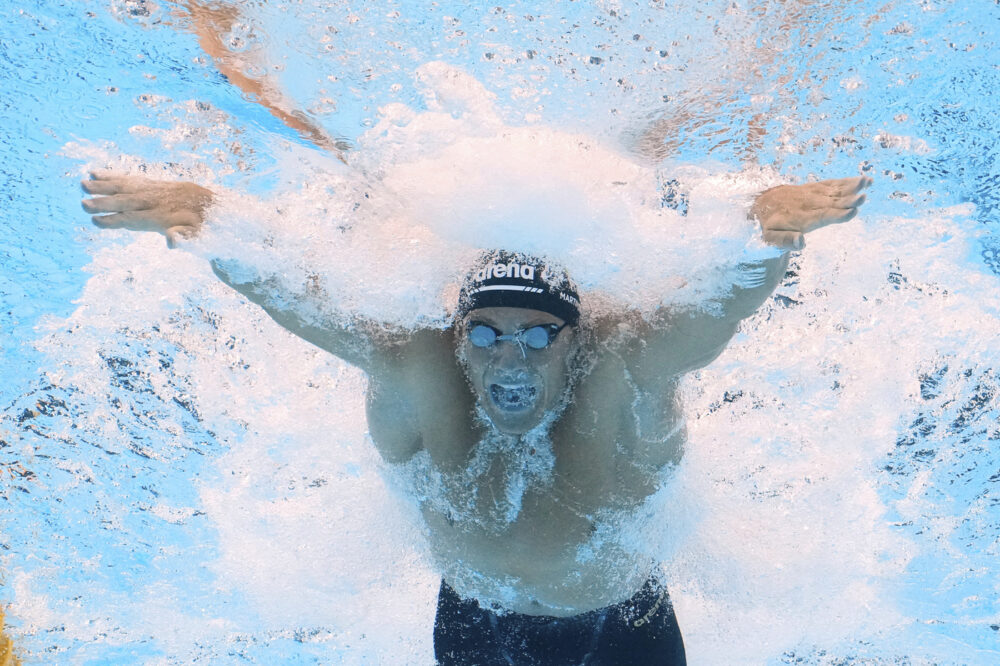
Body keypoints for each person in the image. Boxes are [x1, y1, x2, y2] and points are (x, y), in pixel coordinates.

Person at [79, 4, 873, 663]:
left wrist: (763, 238)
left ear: (574, 341)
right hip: (473, 624)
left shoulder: (618, 374)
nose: (509, 357)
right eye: (487, 334)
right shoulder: (423, 373)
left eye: (538, 337)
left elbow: (710, 319)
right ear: (460, 339)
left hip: (623, 630)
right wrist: (213, 223)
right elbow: (306, 301)